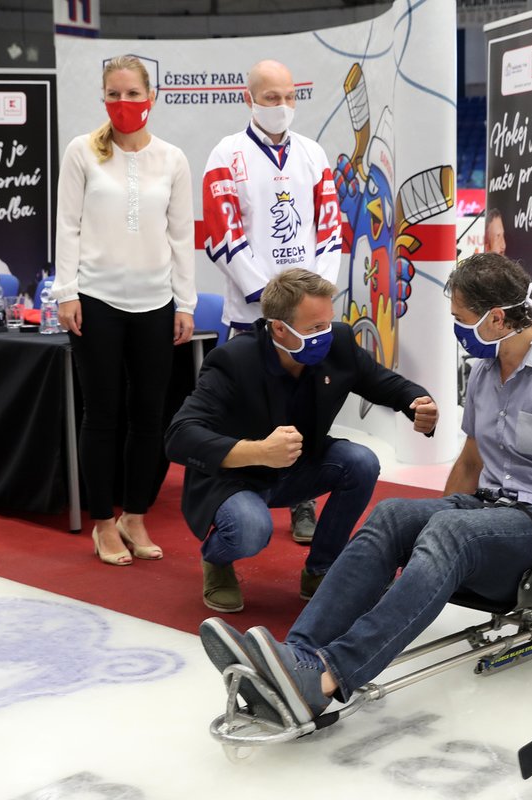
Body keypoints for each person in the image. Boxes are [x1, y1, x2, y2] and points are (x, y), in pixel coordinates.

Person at [196, 253, 532, 725]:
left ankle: (327, 678)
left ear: (497, 318)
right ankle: (297, 660)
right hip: (497, 512)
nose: (457, 330)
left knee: (452, 532)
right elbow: (472, 462)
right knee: (394, 516)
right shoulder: (486, 373)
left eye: (461, 319)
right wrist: (429, 542)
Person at [165, 268, 439, 611]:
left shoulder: (338, 342)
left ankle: (321, 570)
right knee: (250, 530)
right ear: (279, 328)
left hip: (300, 467)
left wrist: (417, 401)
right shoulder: (233, 360)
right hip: (236, 479)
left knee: (361, 462)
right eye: (314, 328)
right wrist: (258, 451)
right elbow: (179, 435)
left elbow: (382, 382)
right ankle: (217, 560)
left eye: (327, 323)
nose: (325, 334)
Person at [54, 54, 196, 567]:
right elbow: (66, 225)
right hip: (95, 302)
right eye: (113, 94)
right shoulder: (81, 153)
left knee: (150, 417)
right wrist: (65, 291)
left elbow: (181, 235)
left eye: (132, 94)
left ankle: (135, 515)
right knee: (102, 414)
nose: (123, 103)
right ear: (104, 98)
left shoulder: (173, 159)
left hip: (156, 303)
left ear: (150, 98)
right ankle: (101, 523)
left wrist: (186, 301)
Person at [201, 58, 344, 543]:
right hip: (251, 315)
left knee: (306, 410)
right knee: (249, 417)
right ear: (250, 99)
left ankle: (301, 498)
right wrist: (270, 301)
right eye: (270, 98)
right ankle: (241, 496)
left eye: (288, 97)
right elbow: (223, 236)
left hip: (306, 320)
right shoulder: (226, 154)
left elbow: (330, 230)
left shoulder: (313, 154)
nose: (282, 106)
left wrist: (314, 302)